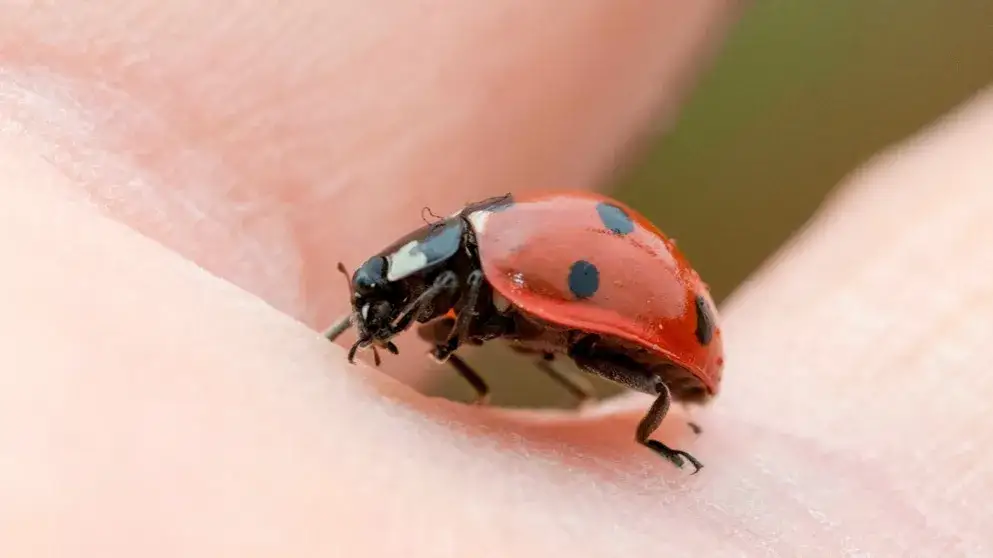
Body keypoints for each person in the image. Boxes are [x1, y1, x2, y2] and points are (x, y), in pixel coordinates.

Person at [2, 1, 989, 554]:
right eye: (383, 304)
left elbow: (514, 312)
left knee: (588, 350)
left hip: (669, 344)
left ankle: (653, 430)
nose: (391, 317)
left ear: (427, 274)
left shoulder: (502, 259)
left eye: (387, 303)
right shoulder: (477, 264)